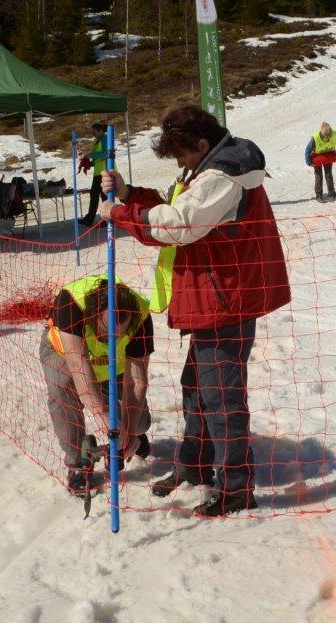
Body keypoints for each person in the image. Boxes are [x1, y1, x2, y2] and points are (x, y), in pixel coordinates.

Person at [98, 105, 291, 517]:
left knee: (222, 399)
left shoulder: (222, 177)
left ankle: (235, 489)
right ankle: (195, 465)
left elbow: (179, 224)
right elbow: (175, 208)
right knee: (197, 389)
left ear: (202, 144)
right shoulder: (205, 170)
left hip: (225, 302)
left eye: (182, 154)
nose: (179, 164)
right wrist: (131, 196)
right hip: (212, 299)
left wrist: (120, 213)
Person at [41, 274, 153, 495]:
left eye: (119, 334)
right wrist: (103, 416)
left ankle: (134, 434)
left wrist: (129, 432)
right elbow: (79, 365)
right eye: (105, 332)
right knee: (62, 390)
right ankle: (77, 463)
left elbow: (137, 381)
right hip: (66, 353)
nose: (111, 340)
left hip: (115, 363)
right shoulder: (71, 302)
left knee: (138, 422)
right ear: (93, 315)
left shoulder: (141, 316)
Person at [304, 121, 336, 202]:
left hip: (328, 156)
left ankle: (332, 195)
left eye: (328, 137)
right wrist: (309, 162)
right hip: (317, 157)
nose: (327, 139)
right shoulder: (315, 138)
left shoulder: (334, 134)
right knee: (318, 176)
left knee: (328, 174)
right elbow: (308, 150)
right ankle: (319, 196)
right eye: (325, 138)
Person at [77, 122, 108, 227]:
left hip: (105, 172)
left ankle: (105, 219)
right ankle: (90, 219)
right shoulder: (98, 141)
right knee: (95, 195)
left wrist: (91, 154)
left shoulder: (105, 139)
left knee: (103, 196)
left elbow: (106, 154)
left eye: (95, 132)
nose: (93, 134)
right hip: (99, 173)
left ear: (100, 131)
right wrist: (88, 163)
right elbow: (98, 159)